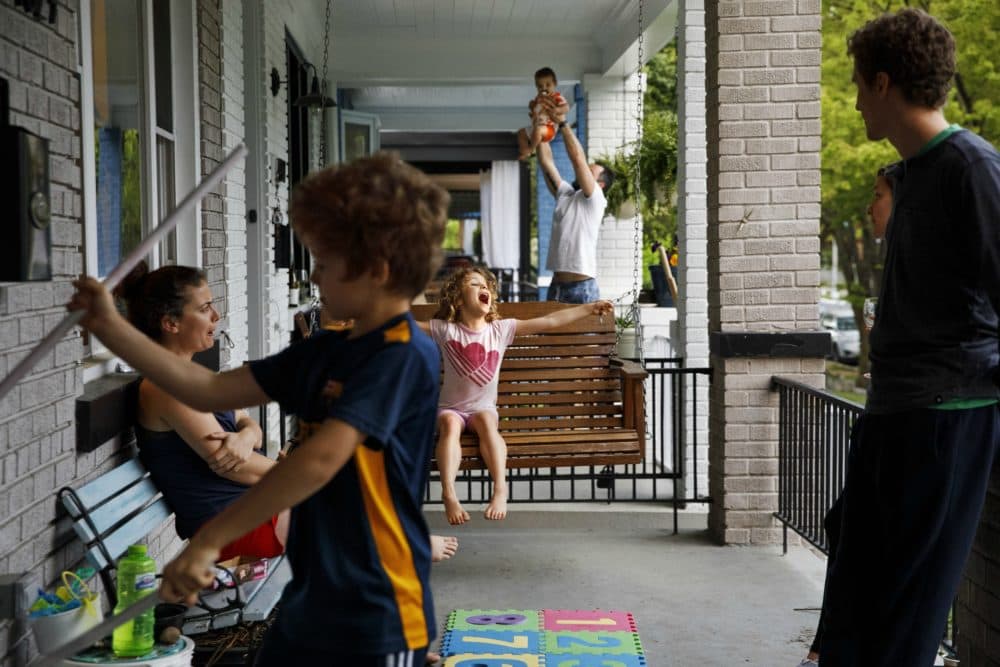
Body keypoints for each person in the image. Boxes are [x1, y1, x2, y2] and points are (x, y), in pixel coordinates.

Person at [69, 152, 450, 665]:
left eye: (325, 261)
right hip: (315, 595)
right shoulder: (327, 351)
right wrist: (110, 326)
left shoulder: (403, 354)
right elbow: (207, 389)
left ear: (375, 270)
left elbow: (318, 462)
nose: (314, 276)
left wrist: (209, 542)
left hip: (376, 604)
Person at [813, 9, 1000, 666]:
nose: (857, 100)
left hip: (947, 420)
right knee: (849, 608)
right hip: (894, 414)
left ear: (884, 84)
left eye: (859, 85)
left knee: (903, 627)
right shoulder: (910, 176)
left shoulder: (972, 168)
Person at [795, 164, 898, 667]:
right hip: (880, 418)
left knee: (858, 532)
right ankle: (828, 644)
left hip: (902, 425)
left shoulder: (919, 261)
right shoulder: (894, 261)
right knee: (842, 524)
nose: (868, 206)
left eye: (877, 196)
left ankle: (833, 647)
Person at [118, 263, 288, 562]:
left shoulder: (191, 376)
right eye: (205, 307)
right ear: (171, 323)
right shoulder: (166, 387)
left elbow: (249, 424)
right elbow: (236, 467)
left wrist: (245, 436)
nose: (216, 315)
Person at [416, 267, 613, 525]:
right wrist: (360, 320)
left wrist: (589, 307)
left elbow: (550, 322)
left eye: (486, 285)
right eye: (475, 284)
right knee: (450, 426)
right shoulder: (446, 330)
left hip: (483, 409)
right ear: (459, 299)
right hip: (451, 408)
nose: (484, 288)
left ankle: (500, 490)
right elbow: (407, 327)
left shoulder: (500, 330)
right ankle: (449, 493)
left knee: (488, 425)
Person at [536, 102, 614, 304]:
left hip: (583, 288)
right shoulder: (566, 194)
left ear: (601, 184)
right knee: (550, 337)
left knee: (585, 337)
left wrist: (562, 122)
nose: (586, 169)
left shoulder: (595, 199)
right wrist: (541, 124)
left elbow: (577, 159)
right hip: (557, 285)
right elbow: (546, 163)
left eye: (592, 171)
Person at [517, 67, 570, 160]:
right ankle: (524, 151)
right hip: (536, 126)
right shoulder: (539, 98)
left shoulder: (556, 97)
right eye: (540, 86)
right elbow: (537, 110)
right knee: (521, 133)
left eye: (548, 85)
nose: (544, 88)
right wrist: (532, 106)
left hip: (548, 129)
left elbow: (566, 107)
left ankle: (531, 149)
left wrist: (557, 110)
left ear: (555, 84)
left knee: (538, 130)